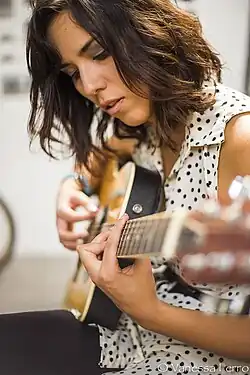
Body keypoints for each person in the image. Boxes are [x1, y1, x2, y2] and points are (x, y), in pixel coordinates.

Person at [1, 0, 250, 374]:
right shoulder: (144, 125)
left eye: (99, 53)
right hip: (116, 335)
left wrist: (152, 312)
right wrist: (74, 187)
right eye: (72, 72)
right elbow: (94, 159)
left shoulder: (239, 139)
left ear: (149, 31)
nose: (88, 86)